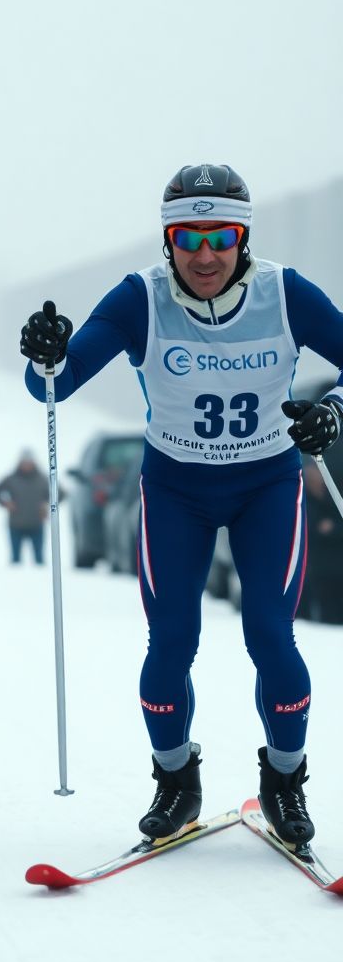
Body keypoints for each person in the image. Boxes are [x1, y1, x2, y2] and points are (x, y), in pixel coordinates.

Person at [19, 164, 343, 849]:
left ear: (242, 239)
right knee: (170, 642)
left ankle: (284, 781)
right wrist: (44, 358)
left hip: (266, 488)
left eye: (220, 236)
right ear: (167, 239)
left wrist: (332, 413)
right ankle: (176, 781)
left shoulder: (285, 293)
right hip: (175, 493)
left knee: (269, 635)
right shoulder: (142, 297)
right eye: (187, 236)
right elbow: (57, 382)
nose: (203, 254)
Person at [299, 460, 343, 624]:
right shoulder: (304, 497)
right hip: (319, 567)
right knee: (326, 612)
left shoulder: (334, 493)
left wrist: (334, 528)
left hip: (337, 562)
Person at [0, 451, 51, 565]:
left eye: (29, 463)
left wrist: (47, 504)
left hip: (36, 524)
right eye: (24, 463)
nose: (27, 465)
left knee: (39, 560)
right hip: (16, 525)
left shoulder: (42, 479)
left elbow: (60, 493)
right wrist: (5, 503)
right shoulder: (11, 479)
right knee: (15, 560)